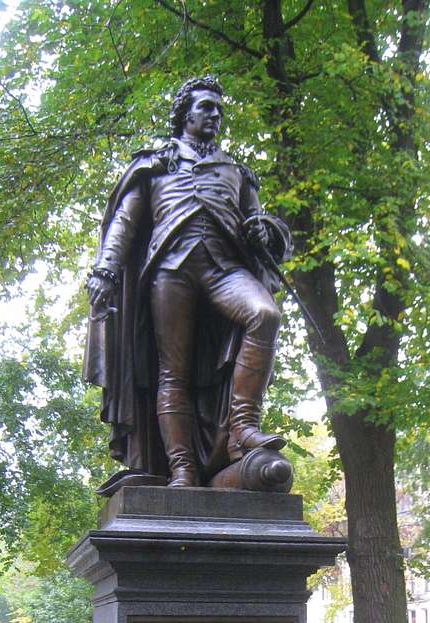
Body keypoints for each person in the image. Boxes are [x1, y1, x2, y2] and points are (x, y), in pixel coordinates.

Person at [83, 75, 292, 489]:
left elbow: (260, 224)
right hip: (170, 270)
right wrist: (106, 270)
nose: (215, 114)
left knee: (265, 315)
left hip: (223, 269)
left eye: (219, 108)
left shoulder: (236, 172)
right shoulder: (153, 165)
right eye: (206, 107)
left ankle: (243, 427)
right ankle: (181, 468)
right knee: (171, 373)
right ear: (185, 114)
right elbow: (124, 223)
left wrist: (265, 232)